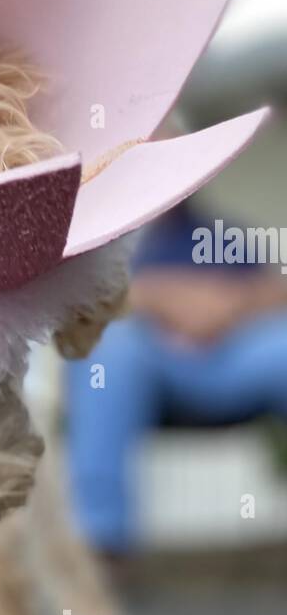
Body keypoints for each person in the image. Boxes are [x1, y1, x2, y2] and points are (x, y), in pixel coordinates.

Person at [64, 198, 287, 555]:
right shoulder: (92, 236)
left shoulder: (213, 233)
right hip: (140, 361)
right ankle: (101, 543)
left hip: (226, 357)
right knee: (110, 347)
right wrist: (160, 298)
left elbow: (273, 285)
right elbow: (73, 303)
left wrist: (234, 302)